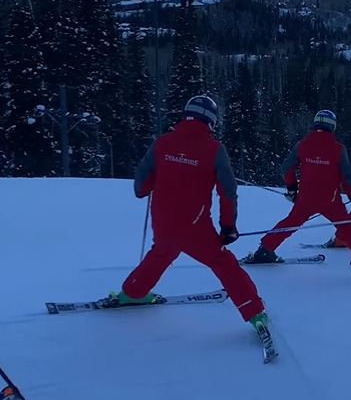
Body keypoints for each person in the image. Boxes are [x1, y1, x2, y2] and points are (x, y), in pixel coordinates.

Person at [110, 95, 273, 352]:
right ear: (211, 121)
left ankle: (133, 291)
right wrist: (228, 226)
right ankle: (255, 312)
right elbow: (228, 191)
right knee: (224, 264)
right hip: (195, 226)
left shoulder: (162, 142)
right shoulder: (214, 149)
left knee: (163, 251)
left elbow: (142, 181)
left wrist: (144, 188)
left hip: (162, 219)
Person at [244, 109, 351, 285]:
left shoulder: (302, 145)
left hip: (305, 199)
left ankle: (265, 250)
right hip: (331, 201)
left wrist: (291, 189)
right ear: (332, 127)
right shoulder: (338, 149)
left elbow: (286, 168)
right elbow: (346, 176)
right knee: (349, 230)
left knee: (290, 223)